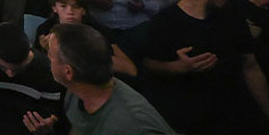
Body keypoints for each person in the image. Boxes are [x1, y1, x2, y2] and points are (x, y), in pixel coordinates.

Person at [142, 0, 269, 133]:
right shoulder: (165, 23)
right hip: (189, 116)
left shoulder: (231, 17)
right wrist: (177, 67)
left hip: (233, 110)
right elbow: (148, 64)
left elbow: (250, 67)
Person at [27, 23, 174, 134]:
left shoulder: (133, 125)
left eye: (51, 56)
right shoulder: (76, 92)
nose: (48, 60)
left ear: (68, 72)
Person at [0, 22, 63, 135]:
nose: (10, 74)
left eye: (18, 68)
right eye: (2, 67)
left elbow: (54, 114)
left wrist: (48, 127)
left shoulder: (49, 73)